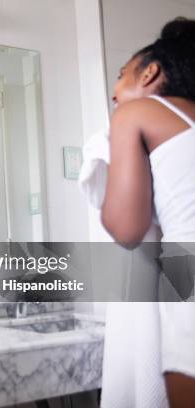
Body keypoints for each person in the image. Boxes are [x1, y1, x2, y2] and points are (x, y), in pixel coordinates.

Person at [102, 17, 195, 407]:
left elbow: (127, 229)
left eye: (121, 76)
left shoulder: (136, 114)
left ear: (151, 72)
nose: (114, 94)